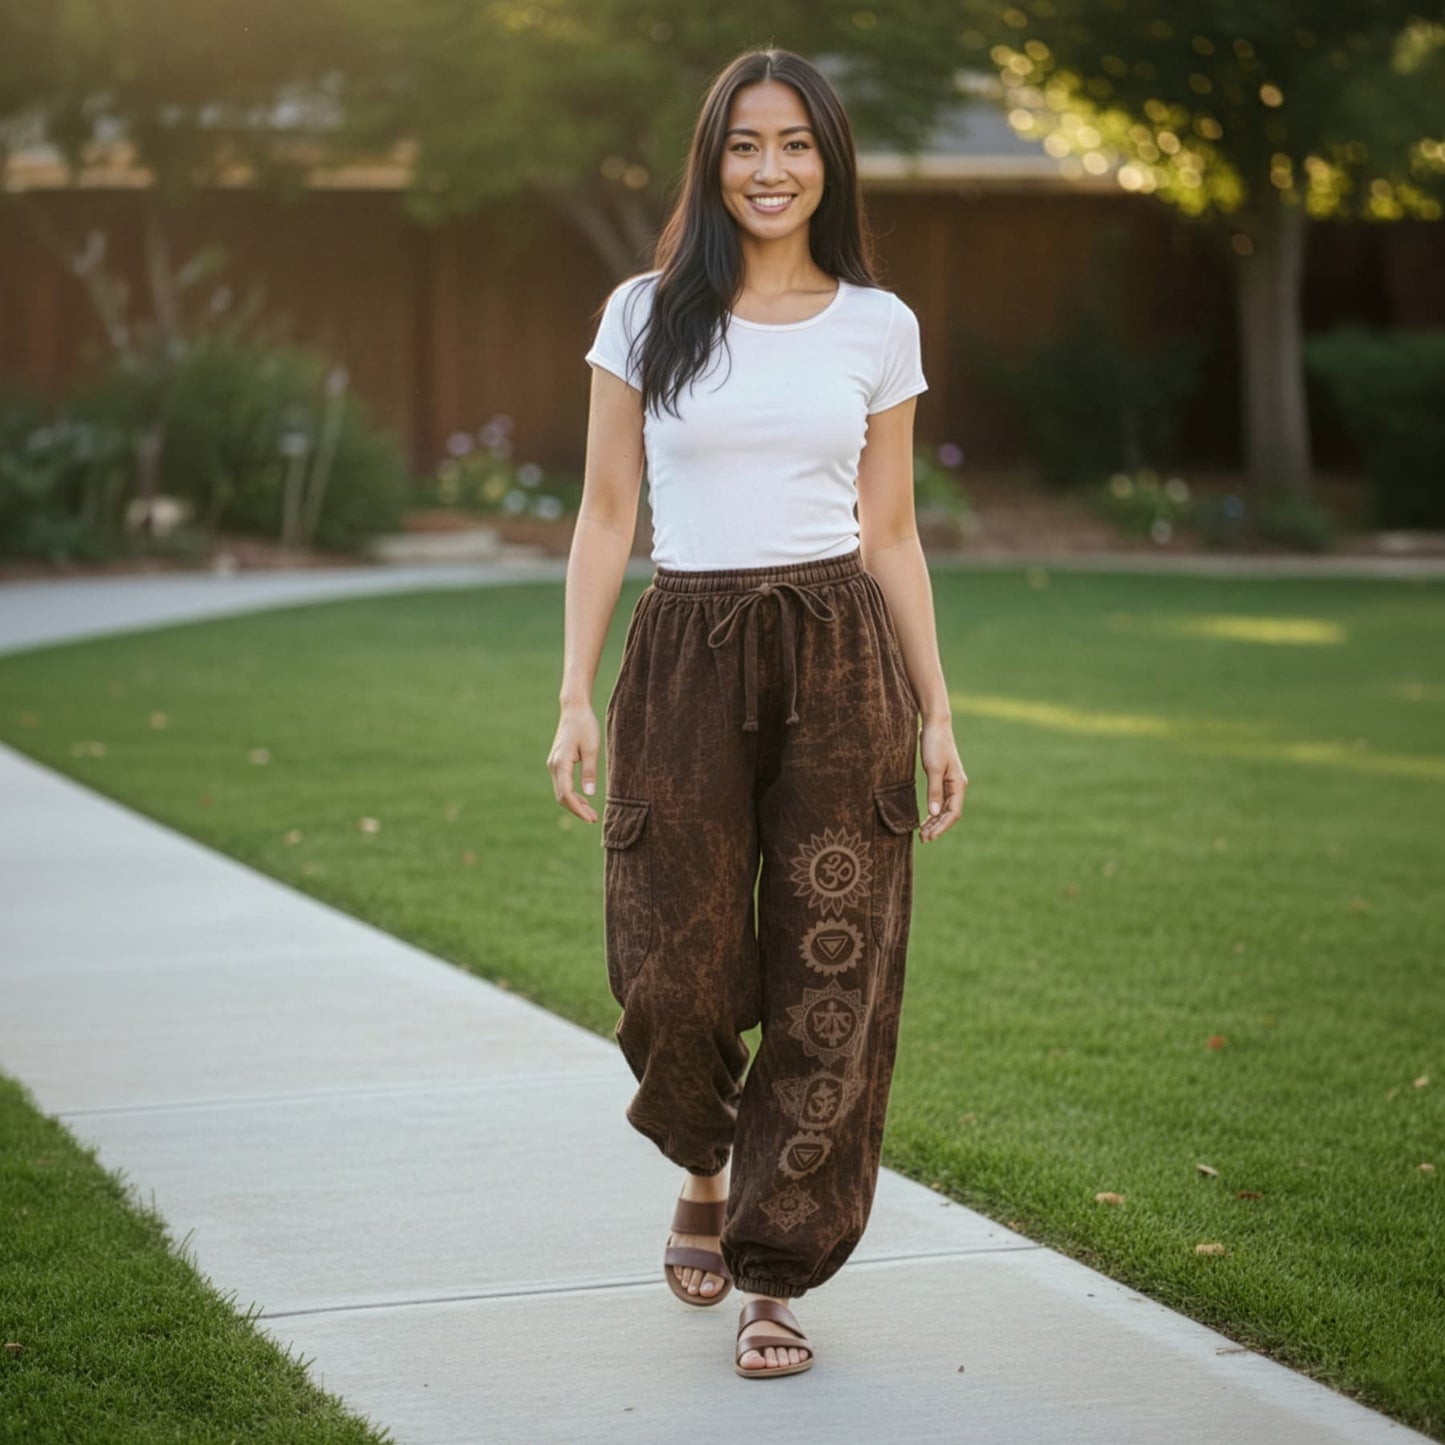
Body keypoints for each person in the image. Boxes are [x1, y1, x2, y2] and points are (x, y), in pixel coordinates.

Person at [549, 45, 967, 1379]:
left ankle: (775, 1272)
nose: (770, 169)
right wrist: (573, 691)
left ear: (827, 160)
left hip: (841, 658)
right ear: (711, 160)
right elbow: (606, 514)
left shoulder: (875, 324)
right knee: (669, 968)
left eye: (794, 143)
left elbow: (891, 530)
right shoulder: (644, 312)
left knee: (831, 965)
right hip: (682, 652)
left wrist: (938, 710)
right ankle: (697, 1150)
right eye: (744, 144)